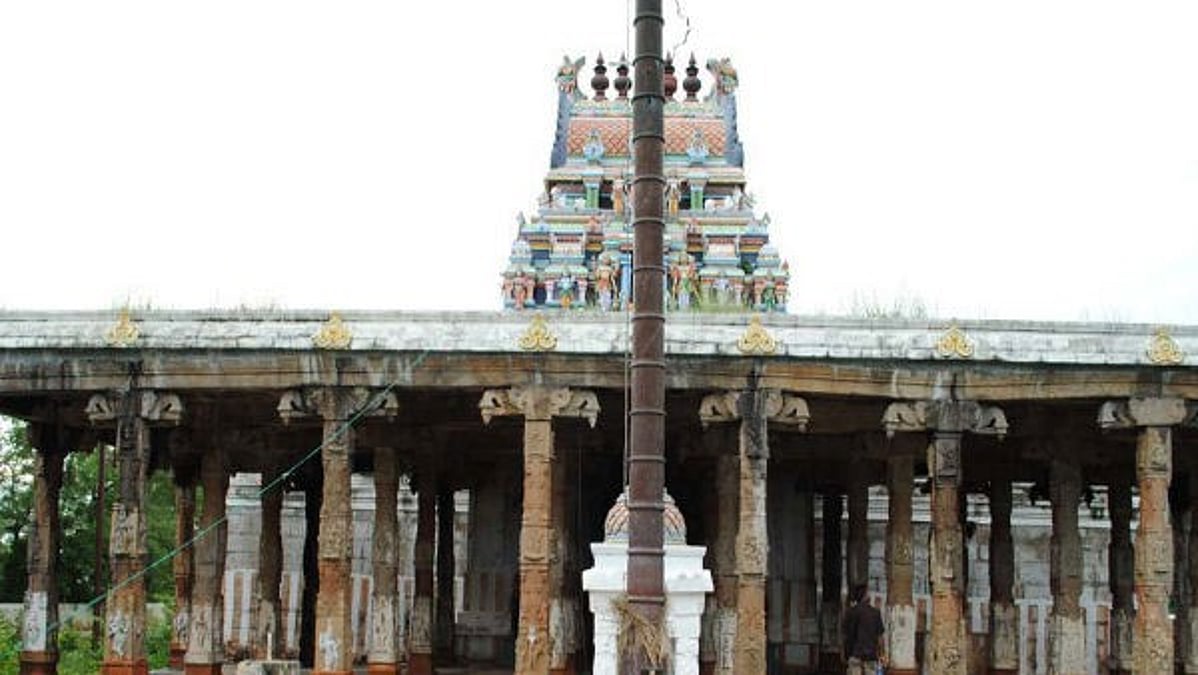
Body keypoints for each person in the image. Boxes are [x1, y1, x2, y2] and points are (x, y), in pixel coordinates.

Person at [841, 583, 885, 675]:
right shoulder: (875, 613)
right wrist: (882, 654)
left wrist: (843, 654)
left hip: (854, 654)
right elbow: (880, 637)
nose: (869, 595)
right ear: (864, 596)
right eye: (868, 593)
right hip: (871, 655)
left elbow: (844, 635)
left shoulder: (850, 612)